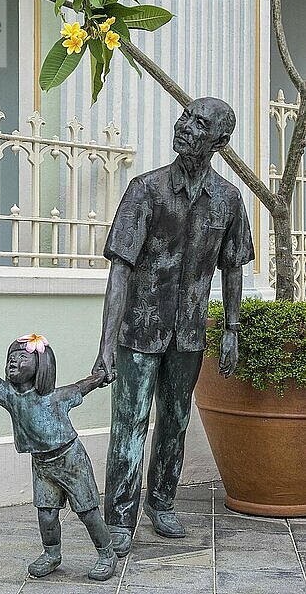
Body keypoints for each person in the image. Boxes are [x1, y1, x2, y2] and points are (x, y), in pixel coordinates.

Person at [92, 97, 255, 557]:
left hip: (188, 333)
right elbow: (119, 270)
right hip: (140, 331)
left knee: (176, 420)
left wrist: (231, 330)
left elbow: (234, 268)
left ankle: (161, 501)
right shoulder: (145, 191)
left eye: (199, 123)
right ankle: (119, 518)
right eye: (185, 116)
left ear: (219, 142)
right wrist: (105, 346)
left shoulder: (228, 200)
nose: (185, 126)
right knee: (130, 421)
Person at [0, 328, 118, 581]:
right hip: (41, 464)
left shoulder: (57, 397)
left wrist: (99, 377)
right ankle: (51, 554)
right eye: (12, 356)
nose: (14, 360)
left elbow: (81, 386)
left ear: (41, 365)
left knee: (87, 511)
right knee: (46, 513)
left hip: (70, 459)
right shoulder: (10, 396)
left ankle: (107, 553)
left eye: (22, 357)